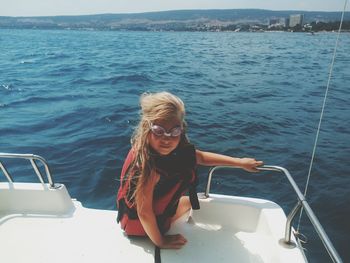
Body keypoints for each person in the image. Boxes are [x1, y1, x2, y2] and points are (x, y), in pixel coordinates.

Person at [117, 91, 263, 250]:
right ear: (147, 127)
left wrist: (240, 162)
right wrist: (161, 241)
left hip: (146, 217)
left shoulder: (166, 148)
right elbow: (144, 213)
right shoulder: (147, 167)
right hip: (141, 227)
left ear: (181, 129)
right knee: (190, 203)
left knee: (190, 202)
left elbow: (201, 157)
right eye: (159, 131)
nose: (167, 138)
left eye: (174, 131)